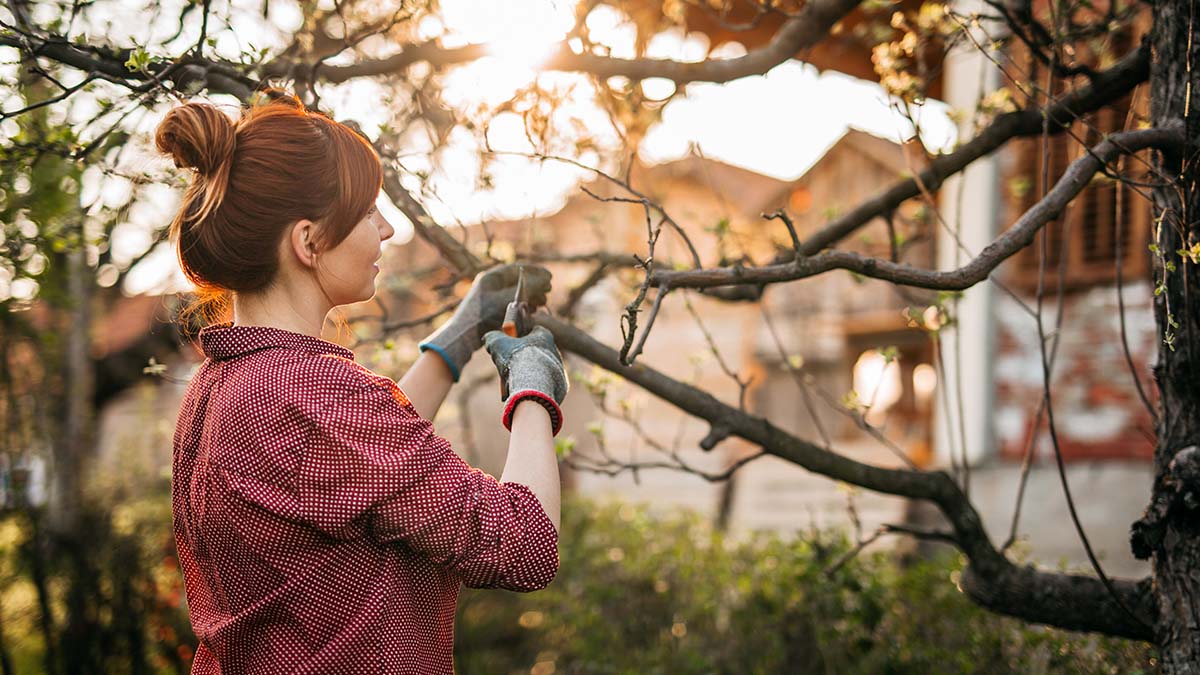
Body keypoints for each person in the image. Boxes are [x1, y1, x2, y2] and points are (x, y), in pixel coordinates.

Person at [157, 91, 568, 675]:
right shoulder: (312, 393)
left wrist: (460, 336)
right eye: (368, 211)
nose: (389, 227)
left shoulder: (221, 386)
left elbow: (361, 472)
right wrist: (534, 391)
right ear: (309, 241)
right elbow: (523, 545)